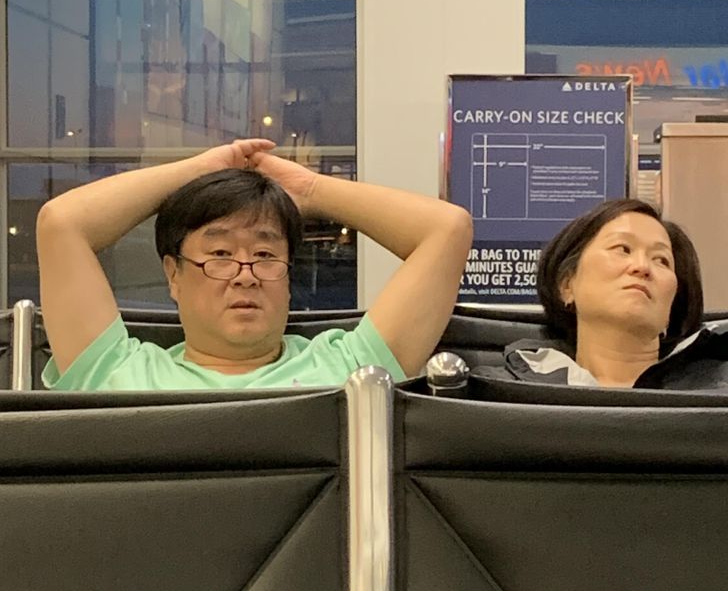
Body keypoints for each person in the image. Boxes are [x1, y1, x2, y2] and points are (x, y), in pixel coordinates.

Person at [37, 138, 472, 390]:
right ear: (174, 274)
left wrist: (311, 189)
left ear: (288, 277)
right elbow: (62, 224)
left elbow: (446, 229)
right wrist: (198, 171)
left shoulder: (356, 369)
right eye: (220, 255)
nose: (245, 276)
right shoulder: (114, 372)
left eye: (265, 256)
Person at [474, 198, 728, 391]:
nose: (642, 267)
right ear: (567, 285)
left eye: (661, 260)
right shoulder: (500, 389)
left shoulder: (717, 390)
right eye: (623, 248)